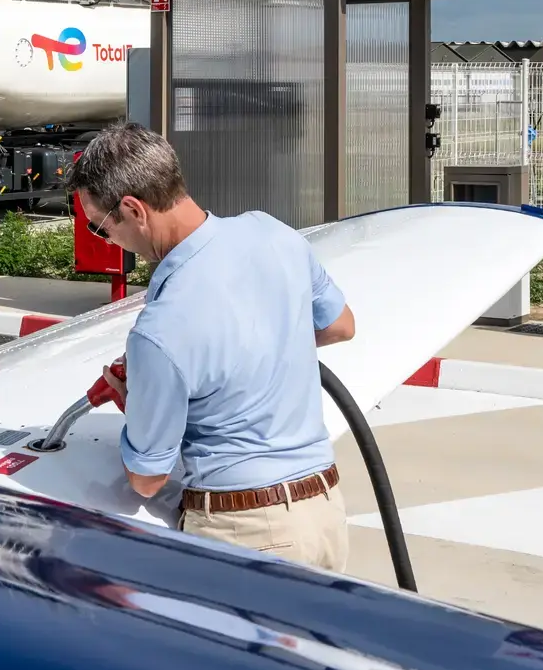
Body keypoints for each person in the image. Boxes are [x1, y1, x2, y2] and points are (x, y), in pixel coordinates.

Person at [68, 122, 356, 574]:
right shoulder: (272, 233)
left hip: (246, 532)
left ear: (133, 209)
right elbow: (340, 325)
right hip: (325, 512)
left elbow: (147, 480)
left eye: (100, 228)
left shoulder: (160, 330)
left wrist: (138, 403)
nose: (107, 241)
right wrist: (253, 348)